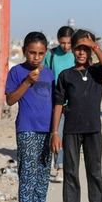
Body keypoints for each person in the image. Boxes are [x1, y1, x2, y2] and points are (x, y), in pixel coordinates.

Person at [51, 29, 102, 202]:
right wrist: (54, 132)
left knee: (95, 173)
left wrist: (95, 46)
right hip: (71, 130)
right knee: (70, 173)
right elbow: (58, 104)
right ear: (73, 50)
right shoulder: (66, 75)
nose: (81, 53)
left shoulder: (97, 72)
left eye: (85, 49)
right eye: (78, 48)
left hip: (93, 130)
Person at [5, 32, 56, 202]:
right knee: (27, 171)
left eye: (40, 53)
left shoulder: (50, 74)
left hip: (47, 129)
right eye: (32, 52)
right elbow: (10, 100)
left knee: (43, 172)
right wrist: (27, 82)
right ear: (25, 51)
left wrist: (55, 131)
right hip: (27, 128)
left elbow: (54, 103)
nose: (36, 57)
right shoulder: (17, 72)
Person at [45, 26, 75, 183]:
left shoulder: (77, 55)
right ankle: (60, 167)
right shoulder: (51, 55)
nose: (66, 46)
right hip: (57, 102)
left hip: (75, 102)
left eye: (69, 43)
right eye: (63, 43)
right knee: (59, 133)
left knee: (71, 136)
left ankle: (69, 165)